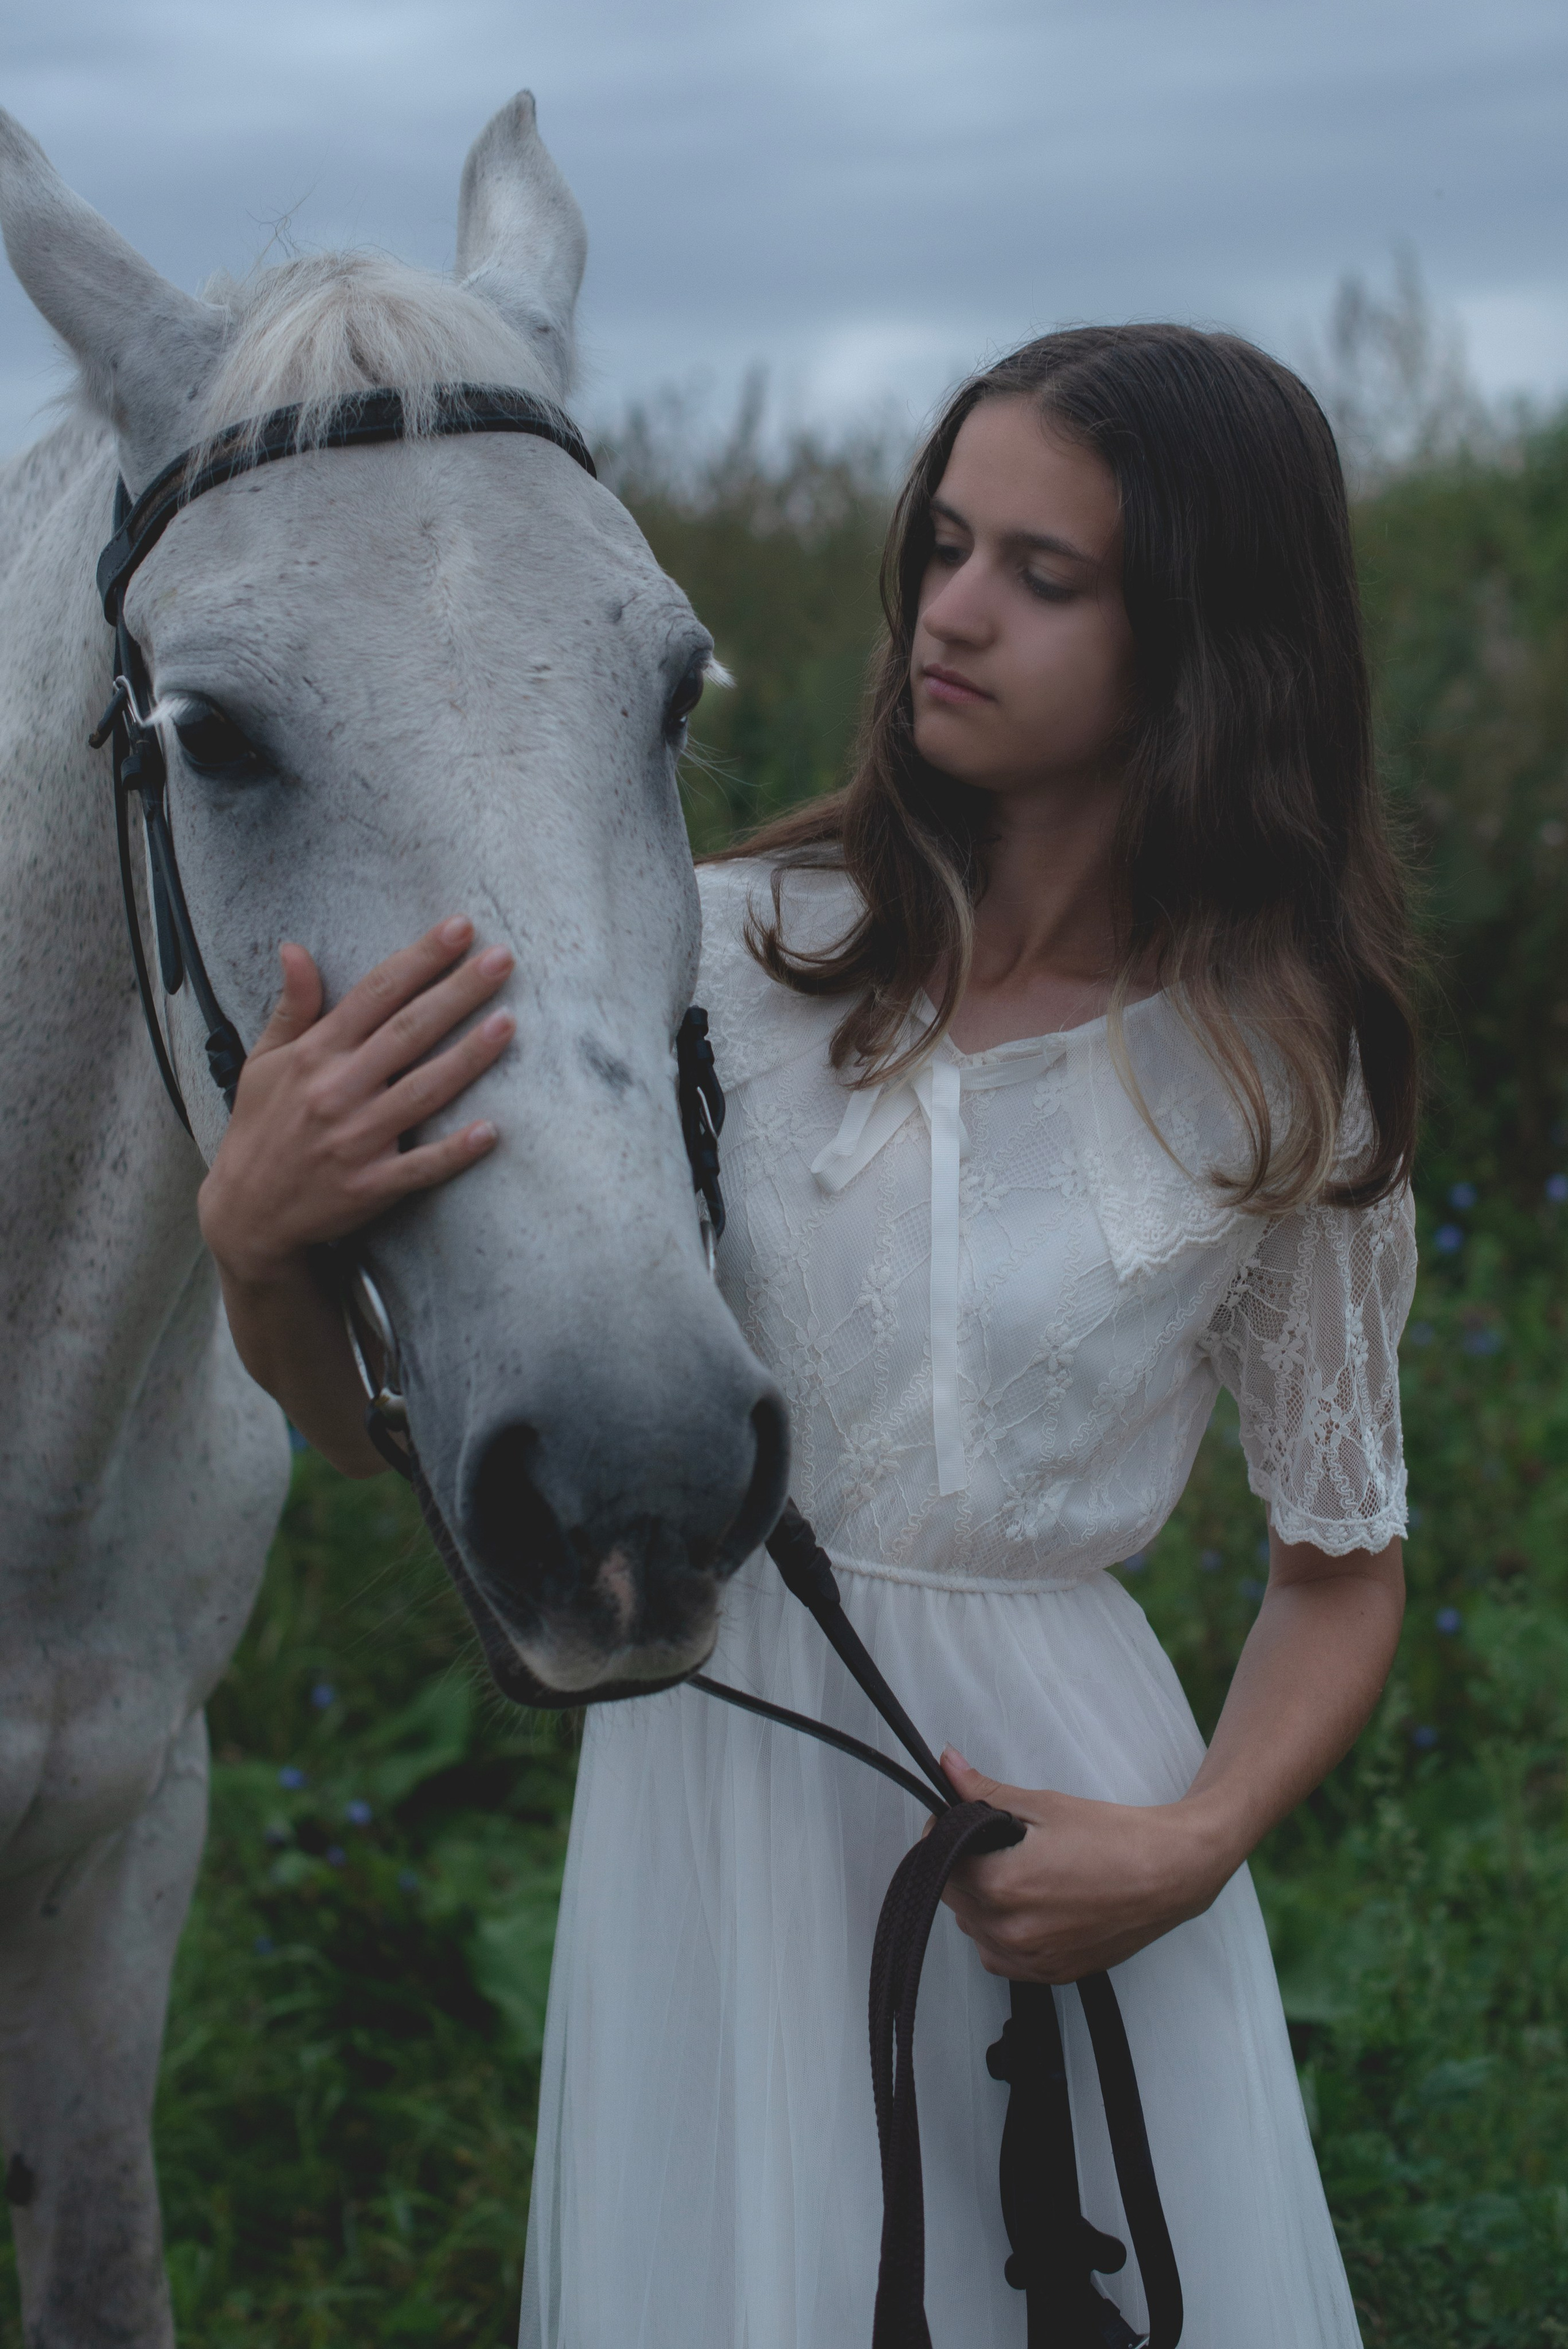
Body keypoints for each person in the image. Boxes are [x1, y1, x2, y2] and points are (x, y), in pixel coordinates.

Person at [201, 326, 1418, 2346]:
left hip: (1074, 1822)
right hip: (727, 1817)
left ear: (1212, 634)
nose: (950, 611)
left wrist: (1195, 1840)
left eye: (1047, 574)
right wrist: (261, 1254)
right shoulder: (714, 957)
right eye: (944, 543)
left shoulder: (1286, 1066)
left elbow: (1340, 1570)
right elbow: (384, 1439)